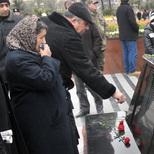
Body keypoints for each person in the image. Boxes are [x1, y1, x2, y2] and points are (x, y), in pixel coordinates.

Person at [41, 1, 126, 144]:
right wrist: (113, 91)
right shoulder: (68, 36)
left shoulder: (48, 22)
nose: (87, 28)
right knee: (66, 137)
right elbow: (86, 69)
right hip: (52, 91)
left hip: (40, 90)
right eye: (86, 24)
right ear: (74, 20)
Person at [5, 17, 79, 154]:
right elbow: (45, 79)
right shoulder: (17, 60)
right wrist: (47, 58)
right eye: (41, 38)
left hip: (52, 120)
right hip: (42, 126)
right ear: (28, 37)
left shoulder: (27, 52)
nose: (44, 42)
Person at [0, 0, 23, 84]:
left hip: (17, 70)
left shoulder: (19, 21)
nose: (5, 8)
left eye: (6, 5)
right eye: (1, 6)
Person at [116, 0, 140, 76]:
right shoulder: (128, 8)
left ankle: (127, 70)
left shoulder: (119, 9)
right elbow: (133, 22)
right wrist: (137, 28)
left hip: (122, 34)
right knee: (132, 53)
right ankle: (132, 70)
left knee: (126, 52)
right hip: (130, 34)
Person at [88, 0, 109, 71]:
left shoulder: (99, 14)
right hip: (93, 46)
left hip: (102, 45)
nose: (95, 5)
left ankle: (100, 79)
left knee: (101, 65)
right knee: (92, 66)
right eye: (94, 4)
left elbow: (106, 26)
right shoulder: (87, 15)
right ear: (89, 5)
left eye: (96, 3)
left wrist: (106, 36)